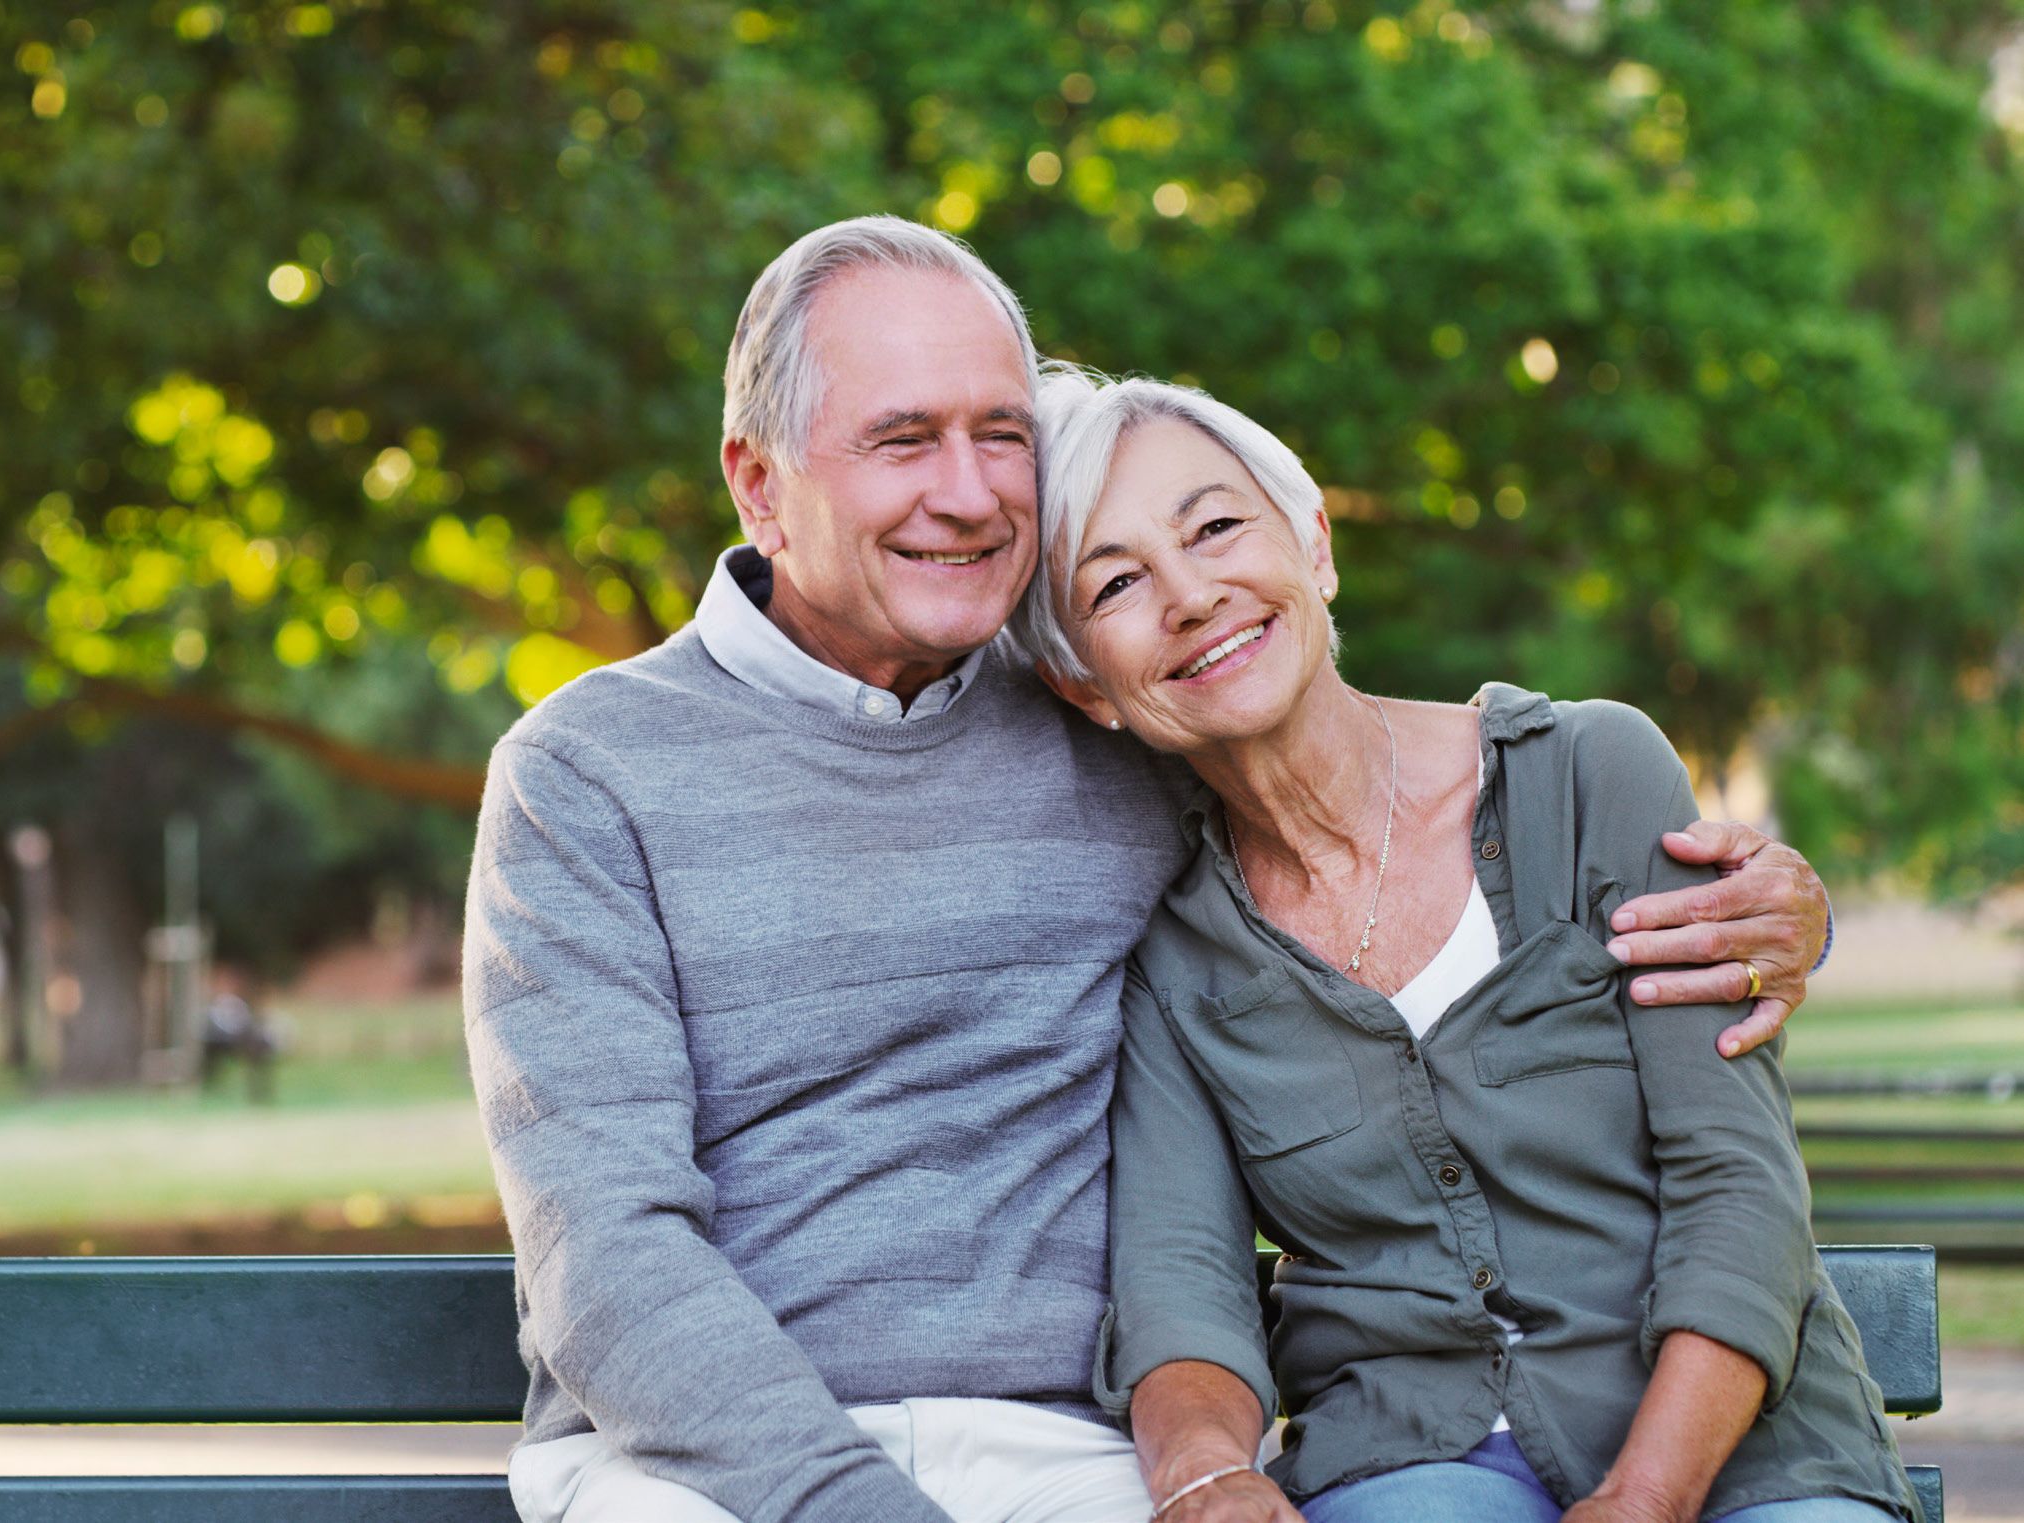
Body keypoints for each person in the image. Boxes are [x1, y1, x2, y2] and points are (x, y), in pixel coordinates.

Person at [463, 216, 1836, 1523]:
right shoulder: (589, 771)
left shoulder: (1119, 710)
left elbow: (1362, 764)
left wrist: (1777, 904)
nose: (966, 490)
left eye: (999, 434)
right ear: (761, 483)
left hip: (1065, 1451)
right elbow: (609, 1256)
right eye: (900, 440)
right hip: (701, 1467)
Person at [1007, 369, 1914, 1523]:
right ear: (1083, 683)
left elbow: (1736, 1182)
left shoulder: (1591, 773)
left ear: (1315, 547)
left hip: (1744, 1448)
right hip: (1411, 1458)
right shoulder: (1173, 953)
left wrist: (1644, 1494)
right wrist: (1208, 1472)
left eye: (1217, 527)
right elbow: (1183, 1287)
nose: (1188, 594)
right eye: (1118, 582)